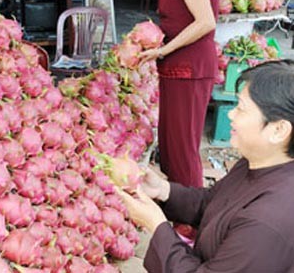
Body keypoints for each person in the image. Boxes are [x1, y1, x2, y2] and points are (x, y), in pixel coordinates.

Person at [116, 60, 294, 272]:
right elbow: (212, 202)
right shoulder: (258, 161)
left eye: (241, 109)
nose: (230, 114)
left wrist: (156, 226)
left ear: (279, 130)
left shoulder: (268, 222)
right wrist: (163, 191)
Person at [138, 0, 219, 189]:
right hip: (178, 68)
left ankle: (192, 219)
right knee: (172, 146)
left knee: (182, 148)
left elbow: (205, 21)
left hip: (190, 68)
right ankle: (181, 207)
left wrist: (162, 50)